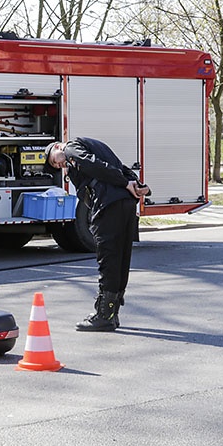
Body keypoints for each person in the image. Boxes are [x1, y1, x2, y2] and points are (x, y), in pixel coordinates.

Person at [45, 138, 150, 331]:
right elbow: (119, 166)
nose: (59, 165)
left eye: (54, 160)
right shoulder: (95, 146)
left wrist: (126, 183)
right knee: (120, 259)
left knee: (109, 259)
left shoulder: (71, 148)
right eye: (56, 166)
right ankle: (112, 314)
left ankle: (104, 315)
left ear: (58, 147)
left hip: (109, 205)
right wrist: (137, 184)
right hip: (125, 205)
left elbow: (92, 164)